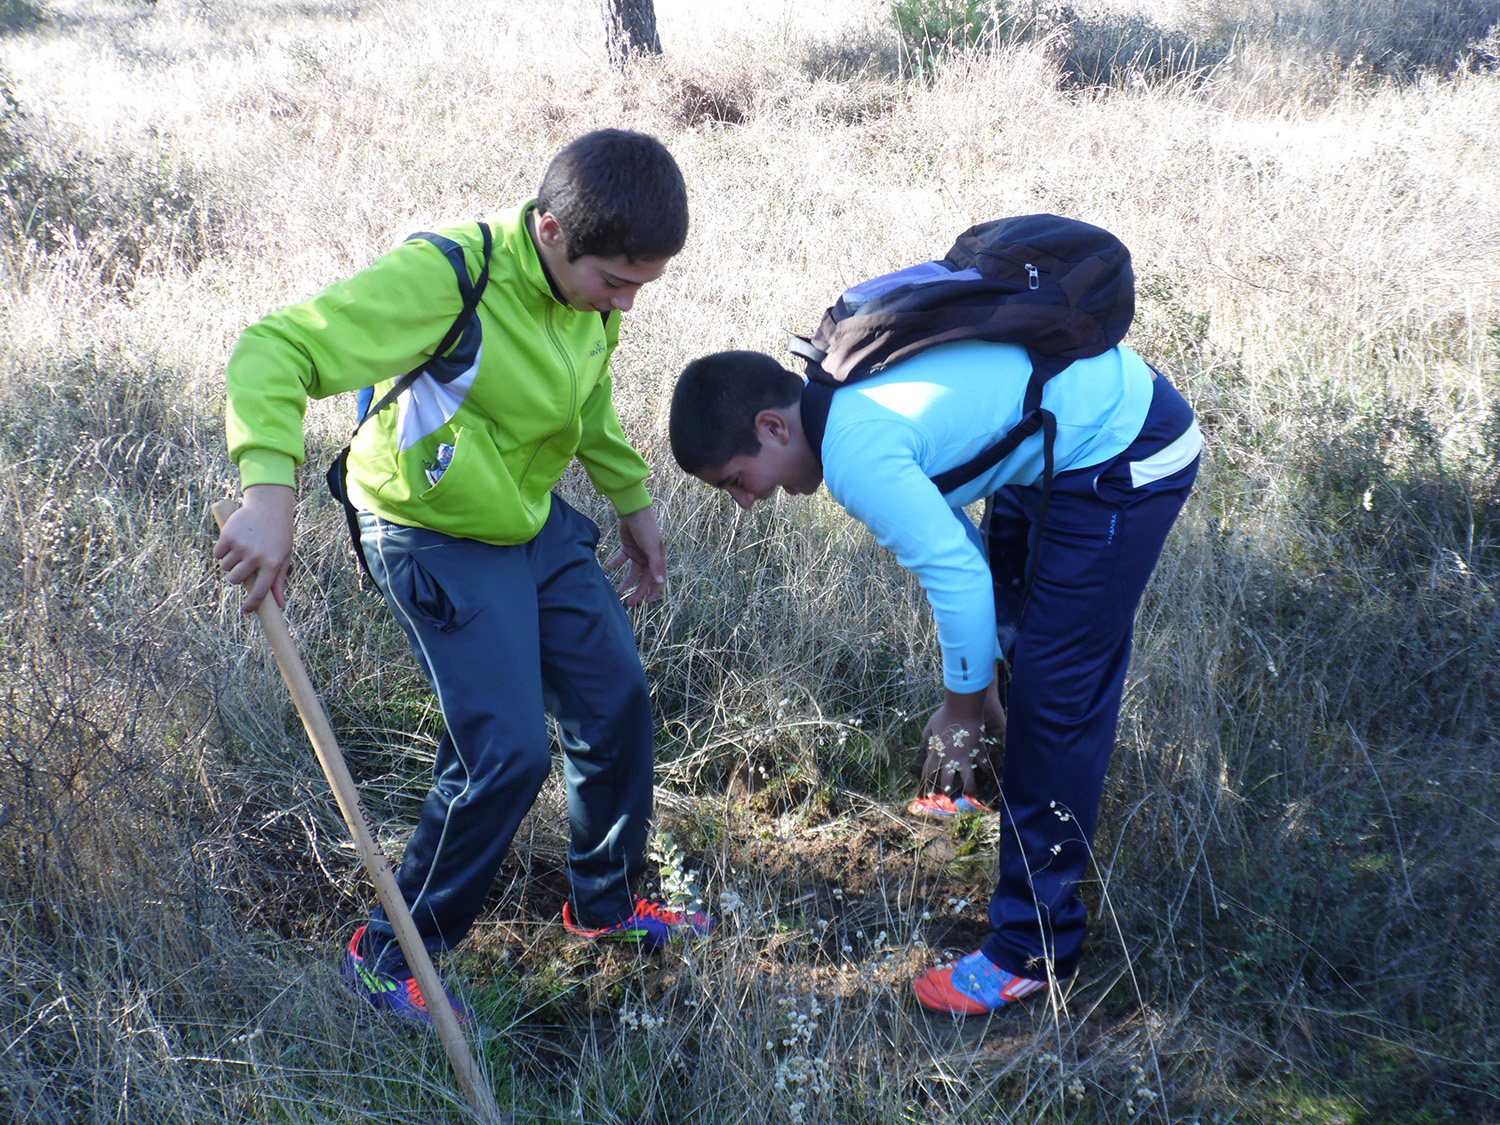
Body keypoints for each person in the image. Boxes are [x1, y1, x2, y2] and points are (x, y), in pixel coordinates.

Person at [215, 129, 712, 1027]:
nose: (627, 305)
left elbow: (587, 398)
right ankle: (391, 954)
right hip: (430, 528)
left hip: (524, 513)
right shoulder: (451, 277)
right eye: (616, 282)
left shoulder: (587, 295)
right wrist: (268, 498)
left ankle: (604, 902)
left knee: (615, 699)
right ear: (551, 231)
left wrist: (632, 499)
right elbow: (274, 349)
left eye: (642, 285)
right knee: (506, 750)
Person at [668, 337, 1200, 1015]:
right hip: (1061, 439)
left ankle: (1030, 952)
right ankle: (1017, 797)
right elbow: (967, 558)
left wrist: (963, 714)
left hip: (1120, 448)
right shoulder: (838, 404)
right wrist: (986, 680)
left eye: (734, 480)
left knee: (1058, 695)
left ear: (772, 427)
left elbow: (956, 579)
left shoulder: (854, 453)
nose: (744, 502)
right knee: (1019, 630)